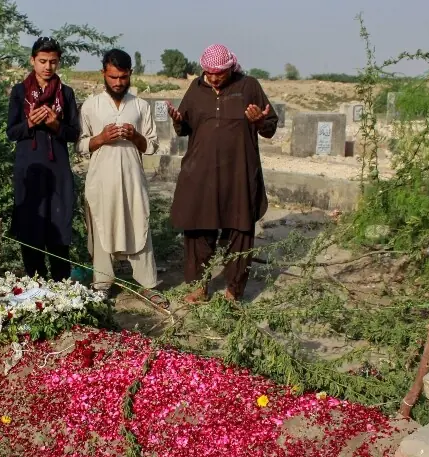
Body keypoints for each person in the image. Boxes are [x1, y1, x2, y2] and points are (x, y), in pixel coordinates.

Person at [167, 44, 278, 303]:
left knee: (239, 230)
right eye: (209, 73)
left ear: (230, 67)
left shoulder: (248, 86)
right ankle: (199, 287)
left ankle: (233, 290)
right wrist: (178, 120)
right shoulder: (196, 88)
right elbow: (184, 129)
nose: (214, 78)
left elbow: (270, 127)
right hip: (201, 174)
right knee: (198, 230)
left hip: (238, 174)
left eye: (220, 73)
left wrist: (258, 121)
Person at [77, 49, 168, 308]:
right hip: (101, 180)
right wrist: (101, 138)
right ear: (103, 74)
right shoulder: (91, 105)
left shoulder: (140, 106)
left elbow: (150, 145)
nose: (118, 82)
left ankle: (148, 284)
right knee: (102, 225)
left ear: (130, 75)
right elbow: (81, 145)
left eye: (123, 77)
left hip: (132, 178)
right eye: (113, 77)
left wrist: (134, 136)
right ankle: (102, 284)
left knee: (138, 222)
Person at [7, 37, 80, 281]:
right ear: (32, 61)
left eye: (53, 62)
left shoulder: (66, 93)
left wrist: (54, 124)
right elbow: (11, 132)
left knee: (59, 224)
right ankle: (35, 285)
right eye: (42, 61)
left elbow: (73, 134)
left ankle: (62, 287)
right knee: (30, 224)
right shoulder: (20, 93)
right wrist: (30, 122)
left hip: (58, 170)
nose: (48, 67)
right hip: (29, 169)